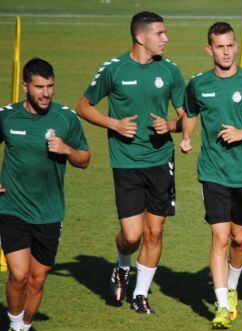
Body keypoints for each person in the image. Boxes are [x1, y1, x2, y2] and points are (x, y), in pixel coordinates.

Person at [76, 11, 186, 314]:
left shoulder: (171, 71)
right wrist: (114, 124)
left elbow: (185, 117)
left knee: (155, 231)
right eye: (160, 33)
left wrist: (173, 127)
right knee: (133, 235)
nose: (166, 39)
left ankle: (140, 294)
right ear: (141, 37)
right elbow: (83, 107)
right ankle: (122, 262)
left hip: (161, 160)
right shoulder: (114, 69)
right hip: (126, 162)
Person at [180, 22, 242, 329]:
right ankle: (222, 305)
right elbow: (190, 114)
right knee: (220, 237)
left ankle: (232, 288)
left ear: (236, 46)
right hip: (212, 172)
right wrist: (186, 137)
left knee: (239, 238)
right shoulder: (198, 83)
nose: (225, 52)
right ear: (209, 49)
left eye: (229, 46)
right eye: (219, 47)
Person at [1, 58, 90, 331]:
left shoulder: (66, 118)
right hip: (11, 207)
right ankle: (14, 330)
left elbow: (85, 158)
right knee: (19, 274)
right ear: (25, 86)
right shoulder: (8, 117)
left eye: (50, 86)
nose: (46, 93)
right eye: (39, 87)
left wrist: (67, 150)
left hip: (50, 212)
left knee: (38, 280)